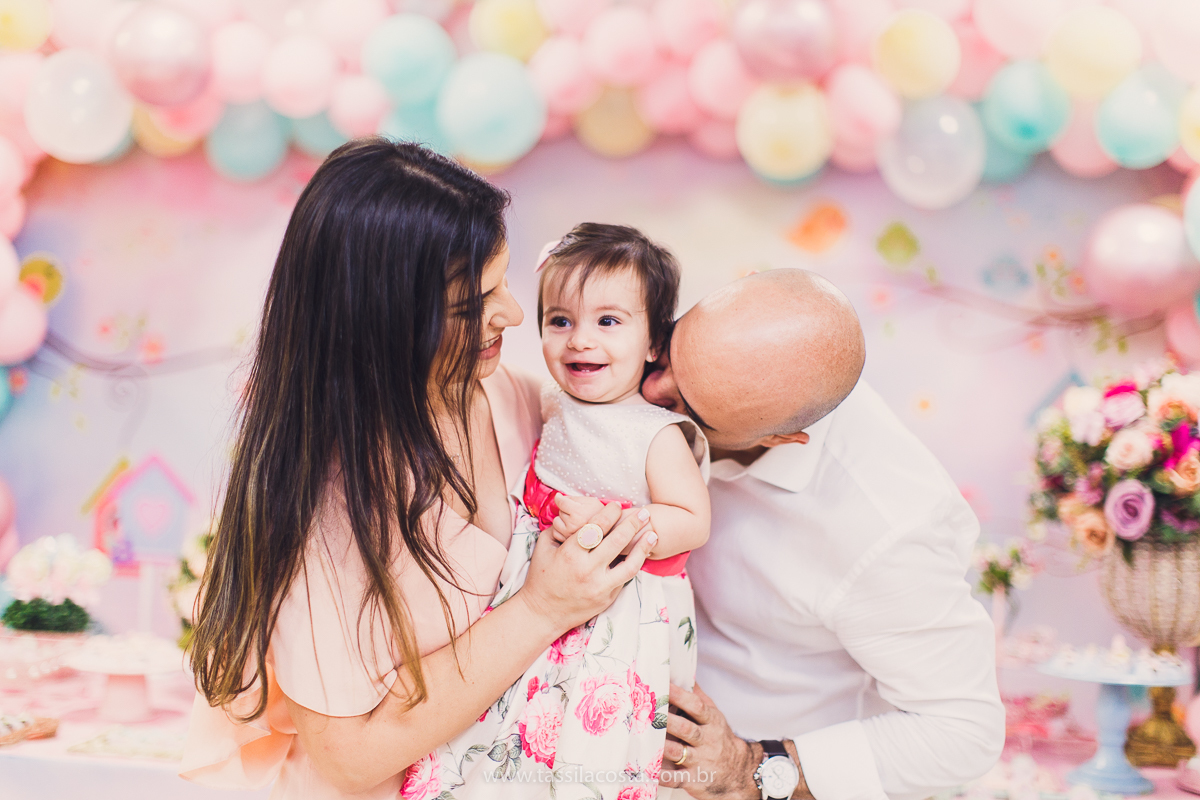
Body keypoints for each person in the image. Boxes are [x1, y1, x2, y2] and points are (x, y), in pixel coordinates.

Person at [181, 139, 658, 800]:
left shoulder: (509, 396)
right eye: (470, 306)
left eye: (503, 281)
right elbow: (349, 758)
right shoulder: (325, 500)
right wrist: (541, 608)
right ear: (380, 321)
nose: (512, 314)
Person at [642, 269, 1005, 800]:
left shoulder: (887, 529)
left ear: (783, 438)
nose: (650, 389)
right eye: (670, 353)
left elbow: (964, 732)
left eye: (686, 408)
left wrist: (750, 768)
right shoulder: (733, 343)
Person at [518, 223, 711, 790]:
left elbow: (692, 520)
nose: (580, 340)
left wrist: (614, 526)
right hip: (545, 587)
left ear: (653, 343)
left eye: (608, 322)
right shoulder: (553, 403)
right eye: (560, 321)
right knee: (532, 721)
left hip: (625, 607)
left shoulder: (654, 432)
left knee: (602, 736)